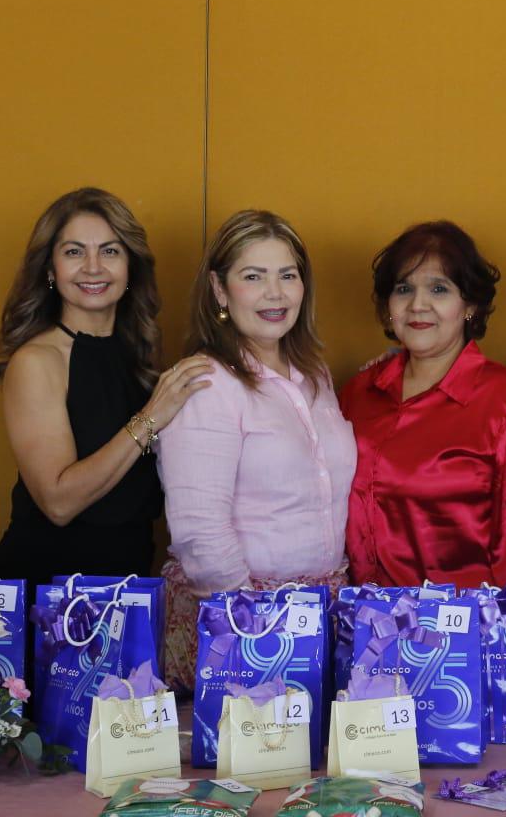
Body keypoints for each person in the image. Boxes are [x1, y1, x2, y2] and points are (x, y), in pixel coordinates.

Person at [156, 210, 356, 691]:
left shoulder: (315, 375)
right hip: (244, 619)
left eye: (288, 275)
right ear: (220, 290)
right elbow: (200, 531)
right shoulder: (207, 382)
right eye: (253, 276)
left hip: (322, 611)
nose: (275, 293)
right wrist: (251, 628)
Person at [0, 188, 211, 588]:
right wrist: (150, 419)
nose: (93, 267)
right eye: (74, 252)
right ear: (50, 269)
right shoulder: (38, 360)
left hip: (127, 583)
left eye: (110, 251)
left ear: (131, 267)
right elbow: (58, 502)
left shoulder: (139, 356)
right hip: (49, 589)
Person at [340, 220, 506, 589]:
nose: (418, 305)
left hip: (461, 632)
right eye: (403, 288)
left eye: (439, 289)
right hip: (357, 625)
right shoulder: (357, 394)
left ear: (469, 304)